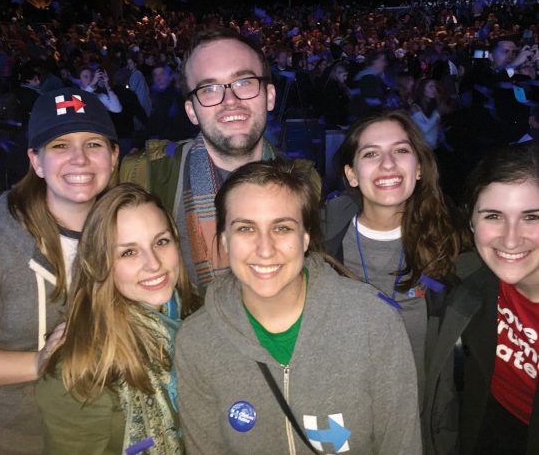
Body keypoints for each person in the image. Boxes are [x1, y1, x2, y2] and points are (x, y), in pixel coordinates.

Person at [175, 159, 421, 454]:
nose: (265, 249)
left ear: (305, 238)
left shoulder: (375, 323)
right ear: (225, 240)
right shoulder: (196, 341)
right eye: (245, 228)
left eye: (281, 228)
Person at [0, 87, 119, 454]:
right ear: (36, 161)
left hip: (91, 431)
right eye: (60, 145)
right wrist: (37, 362)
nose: (79, 159)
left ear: (113, 156)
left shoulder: (127, 227)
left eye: (93, 144)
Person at [119, 27, 320, 290]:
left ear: (269, 96)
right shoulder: (145, 178)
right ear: (191, 111)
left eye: (244, 82)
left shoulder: (306, 183)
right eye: (210, 89)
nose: (230, 100)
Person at [324, 110, 465, 452]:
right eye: (371, 153)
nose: (388, 164)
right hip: (339, 431)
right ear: (351, 174)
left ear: (418, 168)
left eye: (401, 150)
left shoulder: (453, 246)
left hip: (418, 431)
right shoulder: (319, 244)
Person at [37, 183, 200, 455]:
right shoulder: (83, 369)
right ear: (100, 263)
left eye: (161, 242)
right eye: (129, 252)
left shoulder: (196, 316)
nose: (154, 264)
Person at [428, 143, 539, 455]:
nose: (511, 239)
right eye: (493, 216)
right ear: (472, 221)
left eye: (532, 217)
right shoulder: (467, 283)